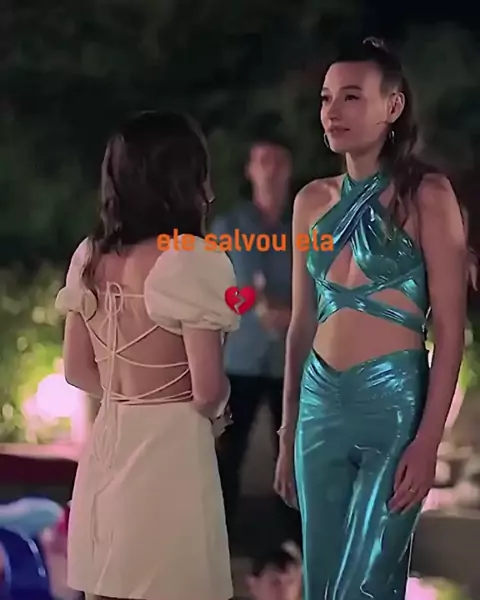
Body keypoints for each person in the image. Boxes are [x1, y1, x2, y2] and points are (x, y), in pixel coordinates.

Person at [274, 37, 473, 600]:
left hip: (392, 406)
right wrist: (287, 432)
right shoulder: (310, 202)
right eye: (326, 98)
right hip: (318, 405)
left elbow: (451, 331)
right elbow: (301, 323)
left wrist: (429, 441)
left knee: (367, 582)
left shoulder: (427, 195)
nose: (332, 111)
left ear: (393, 106)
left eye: (351, 97)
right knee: (321, 582)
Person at [55, 111, 239, 600]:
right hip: (171, 455)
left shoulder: (90, 256)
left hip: (109, 448)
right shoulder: (191, 258)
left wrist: (131, 396)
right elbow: (207, 389)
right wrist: (219, 408)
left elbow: (77, 370)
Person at [212, 134, 300, 545]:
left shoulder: (307, 225)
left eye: (278, 161)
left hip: (291, 360)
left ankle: (294, 551)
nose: (270, 170)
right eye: (262, 160)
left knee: (294, 458)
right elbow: (213, 290)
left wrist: (293, 312)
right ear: (250, 169)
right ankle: (216, 546)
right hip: (240, 359)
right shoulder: (228, 227)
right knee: (226, 455)